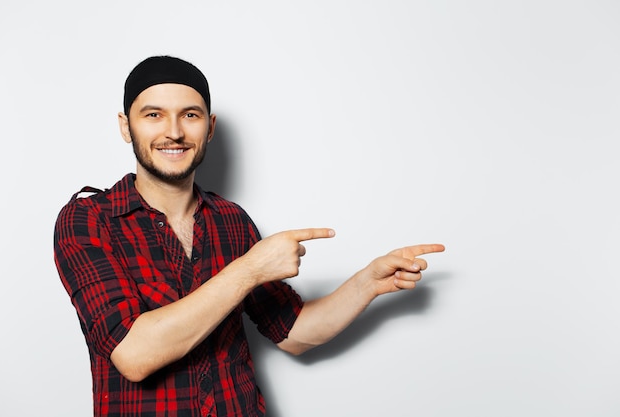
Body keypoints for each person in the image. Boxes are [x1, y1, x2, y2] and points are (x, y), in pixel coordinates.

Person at [54, 55, 445, 417]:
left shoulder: (232, 220)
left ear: (209, 128)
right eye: (153, 115)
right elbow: (135, 355)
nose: (173, 132)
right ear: (126, 126)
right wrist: (251, 269)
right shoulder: (88, 220)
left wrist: (368, 284)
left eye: (190, 115)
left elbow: (293, 333)